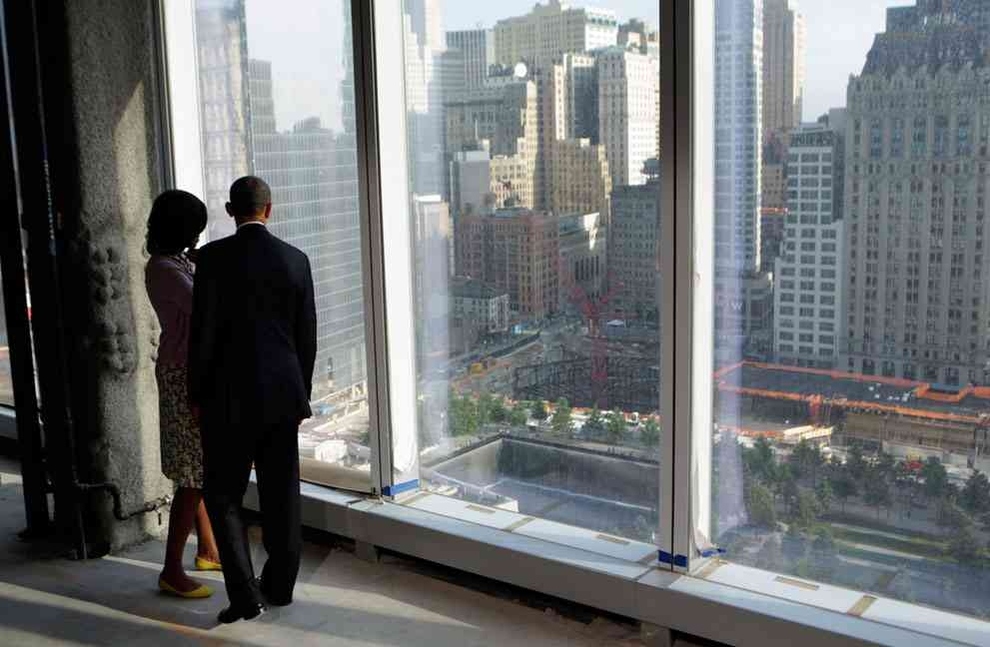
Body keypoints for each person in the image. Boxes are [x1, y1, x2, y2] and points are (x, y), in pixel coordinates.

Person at [189, 176, 317, 624]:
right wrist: (302, 395)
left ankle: (244, 594)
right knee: (283, 496)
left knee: (223, 494)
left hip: (226, 399)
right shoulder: (296, 261)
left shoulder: (210, 260)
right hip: (282, 397)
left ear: (230, 210)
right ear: (270, 209)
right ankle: (279, 588)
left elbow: (200, 336)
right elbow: (306, 340)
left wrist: (196, 394)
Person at [144, 190, 222, 599]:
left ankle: (208, 550)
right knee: (191, 476)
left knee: (199, 467)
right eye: (193, 229)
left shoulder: (178, 262)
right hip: (182, 375)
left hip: (190, 371)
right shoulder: (163, 268)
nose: (197, 237)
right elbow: (205, 307)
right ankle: (171, 569)